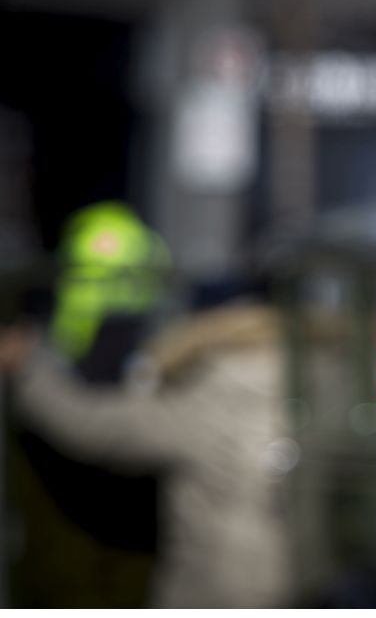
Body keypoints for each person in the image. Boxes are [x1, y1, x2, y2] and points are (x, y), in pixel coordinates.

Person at [1, 204, 295, 608]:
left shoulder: (215, 390)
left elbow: (91, 427)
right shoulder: (321, 375)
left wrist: (27, 368)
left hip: (216, 595)